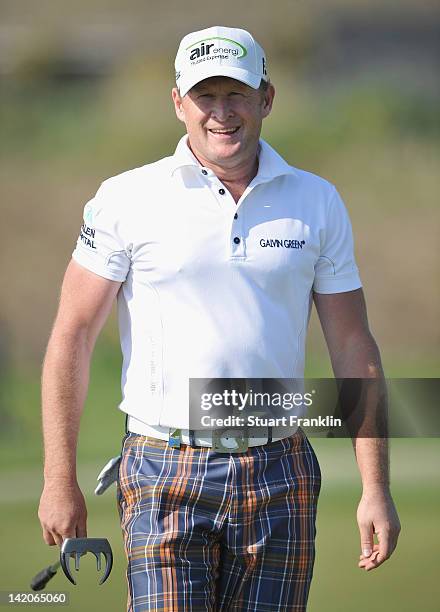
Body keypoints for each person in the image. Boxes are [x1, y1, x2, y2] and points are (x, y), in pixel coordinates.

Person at [38, 25, 401, 611]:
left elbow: (353, 347)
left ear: (267, 99)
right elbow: (72, 337)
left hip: (281, 468)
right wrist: (59, 479)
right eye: (205, 97)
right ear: (178, 104)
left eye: (236, 94)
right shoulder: (127, 198)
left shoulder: (317, 201)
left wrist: (375, 487)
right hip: (163, 466)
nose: (221, 113)